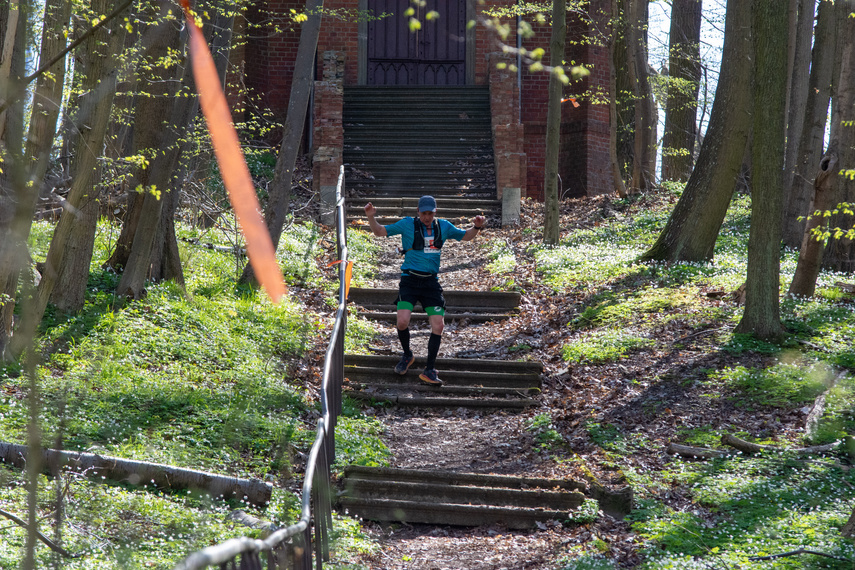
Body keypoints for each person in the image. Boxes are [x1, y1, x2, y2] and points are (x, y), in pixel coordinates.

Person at [364, 195, 486, 386]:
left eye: (430, 213)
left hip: (431, 283)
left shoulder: (443, 226)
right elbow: (379, 231)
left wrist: (477, 227)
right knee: (402, 321)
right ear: (418, 212)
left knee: (438, 325)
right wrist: (371, 216)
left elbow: (466, 236)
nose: (427, 217)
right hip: (409, 281)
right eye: (424, 213)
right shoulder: (406, 224)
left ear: (435, 212)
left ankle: (429, 370)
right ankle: (407, 355)